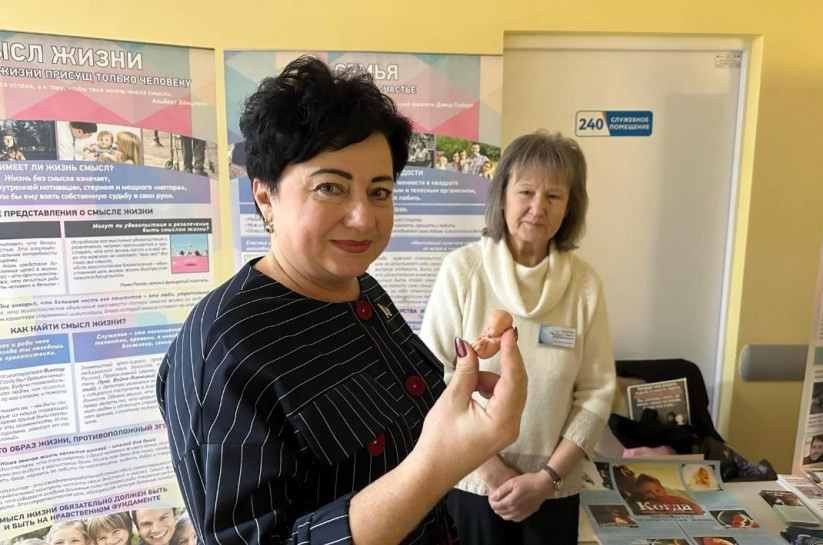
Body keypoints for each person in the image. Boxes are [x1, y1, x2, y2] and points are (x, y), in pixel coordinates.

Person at [157, 55, 527, 545]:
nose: (363, 218)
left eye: (379, 192)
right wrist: (439, 463)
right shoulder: (227, 348)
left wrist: (463, 399)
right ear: (265, 197)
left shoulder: (361, 288)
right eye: (330, 187)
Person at [420, 130, 616, 544]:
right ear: (502, 196)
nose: (537, 208)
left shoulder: (584, 285)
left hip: (554, 489)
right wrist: (493, 471)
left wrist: (546, 478)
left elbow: (596, 393)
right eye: (526, 191)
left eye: (553, 196)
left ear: (570, 206)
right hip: (471, 483)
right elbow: (431, 379)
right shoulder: (463, 271)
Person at [635, 474, 704, 514]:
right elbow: (652, 514)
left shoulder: (674, 498)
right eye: (648, 492)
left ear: (663, 489)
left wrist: (699, 513)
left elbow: (692, 504)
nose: (655, 493)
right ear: (644, 494)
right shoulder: (648, 504)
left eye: (657, 490)